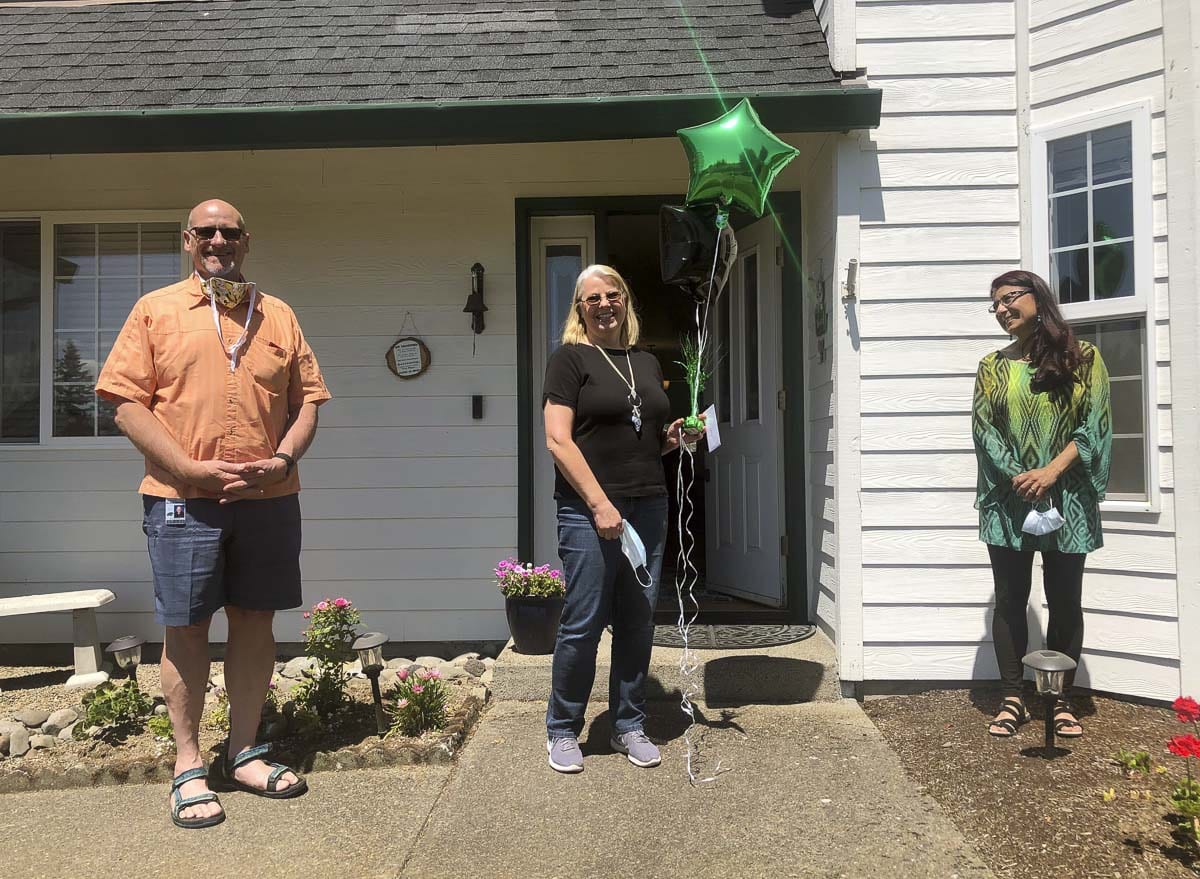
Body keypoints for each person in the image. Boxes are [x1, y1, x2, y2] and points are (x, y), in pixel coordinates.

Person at [96, 199, 331, 828]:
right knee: (187, 626)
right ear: (188, 240)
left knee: (255, 622)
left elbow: (309, 402)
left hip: (268, 500)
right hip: (182, 500)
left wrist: (283, 459)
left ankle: (243, 752)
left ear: (246, 241)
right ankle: (189, 764)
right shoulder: (155, 310)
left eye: (230, 232)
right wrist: (187, 468)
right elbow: (124, 403)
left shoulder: (278, 315)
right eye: (207, 231)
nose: (218, 240)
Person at [541, 264, 702, 773]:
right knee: (583, 621)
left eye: (613, 295)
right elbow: (557, 440)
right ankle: (563, 729)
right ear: (580, 309)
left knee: (637, 621)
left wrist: (673, 439)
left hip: (648, 503)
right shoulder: (569, 360)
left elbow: (645, 438)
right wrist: (599, 504)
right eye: (593, 298)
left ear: (625, 301)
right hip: (588, 510)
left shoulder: (646, 362)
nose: (604, 304)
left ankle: (628, 724)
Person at [972, 270, 1111, 739]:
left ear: (1038, 298)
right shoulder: (992, 366)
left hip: (1067, 498)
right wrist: (1019, 475)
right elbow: (985, 430)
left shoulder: (1084, 357)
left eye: (1008, 298)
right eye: (994, 304)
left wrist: (1051, 471)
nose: (1001, 310)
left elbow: (1094, 424)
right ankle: (1012, 698)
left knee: (1065, 599)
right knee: (1010, 599)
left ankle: (1060, 699)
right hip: (1009, 499)